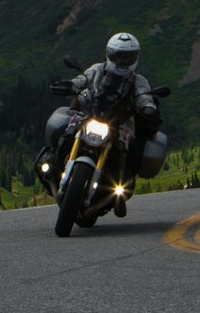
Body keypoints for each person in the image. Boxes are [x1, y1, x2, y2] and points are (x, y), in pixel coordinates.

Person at [66, 31, 162, 204]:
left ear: (135, 58)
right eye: (118, 57)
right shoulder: (97, 69)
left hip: (118, 124)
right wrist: (71, 85)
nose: (122, 62)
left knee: (128, 149)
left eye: (127, 58)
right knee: (67, 129)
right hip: (91, 114)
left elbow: (145, 97)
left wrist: (149, 108)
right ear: (109, 54)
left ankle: (123, 184)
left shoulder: (138, 80)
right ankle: (55, 160)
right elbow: (83, 79)